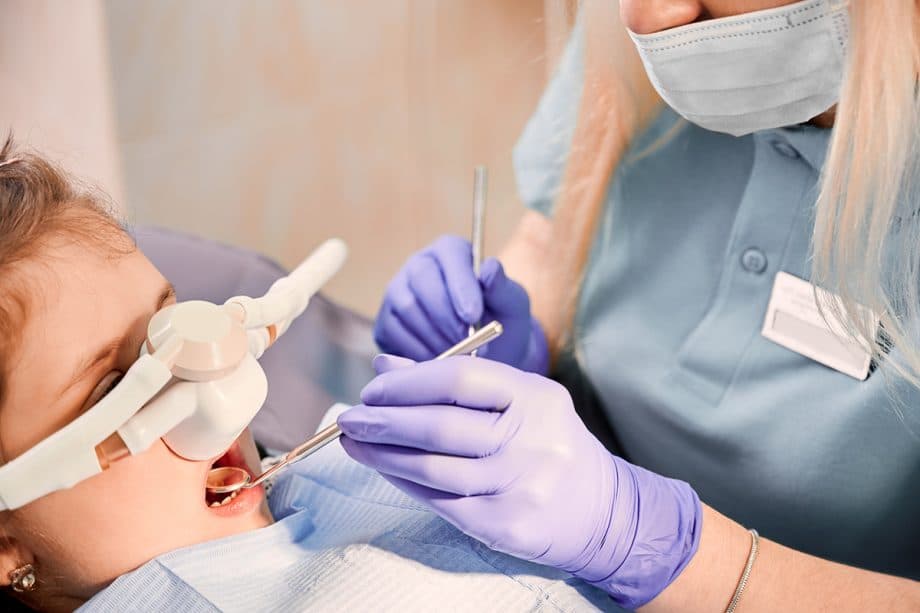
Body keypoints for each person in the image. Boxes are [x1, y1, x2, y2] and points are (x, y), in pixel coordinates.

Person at [356, 0, 920, 610]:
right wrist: (509, 339)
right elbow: (553, 236)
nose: (643, 18)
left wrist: (666, 549)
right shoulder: (656, 34)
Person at [0, 137, 613, 612]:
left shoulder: (302, 470)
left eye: (175, 326)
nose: (211, 386)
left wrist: (496, 391)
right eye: (114, 388)